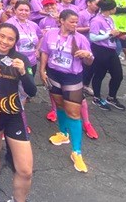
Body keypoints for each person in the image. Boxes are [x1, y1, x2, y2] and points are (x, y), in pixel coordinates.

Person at [0, 23, 36, 202]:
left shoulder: (21, 59)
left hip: (13, 114)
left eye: (10, 39)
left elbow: (32, 91)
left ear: (15, 42)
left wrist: (23, 73)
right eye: (2, 36)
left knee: (25, 171)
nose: (5, 41)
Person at [40, 10, 94, 173]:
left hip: (72, 77)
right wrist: (42, 70)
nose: (75, 24)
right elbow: (45, 52)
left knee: (74, 113)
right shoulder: (50, 34)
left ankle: (76, 152)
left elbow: (90, 61)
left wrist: (87, 55)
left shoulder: (81, 39)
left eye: (76, 22)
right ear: (61, 21)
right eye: (71, 21)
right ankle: (63, 133)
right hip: (54, 73)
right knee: (60, 105)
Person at [88, 0, 125, 111]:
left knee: (118, 75)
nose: (115, 9)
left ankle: (111, 97)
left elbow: (108, 33)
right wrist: (110, 34)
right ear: (110, 9)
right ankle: (97, 97)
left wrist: (117, 35)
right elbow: (93, 37)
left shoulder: (110, 19)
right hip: (100, 50)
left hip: (111, 49)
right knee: (99, 74)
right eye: (114, 7)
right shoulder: (96, 20)